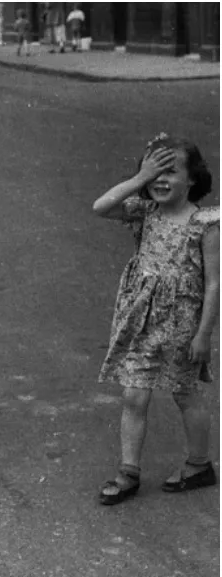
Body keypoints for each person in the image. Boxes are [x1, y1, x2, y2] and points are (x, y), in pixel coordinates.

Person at [92, 134, 218, 506]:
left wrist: (204, 335)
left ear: (192, 178)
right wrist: (139, 177)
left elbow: (214, 284)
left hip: (182, 324)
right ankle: (128, 470)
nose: (159, 180)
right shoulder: (143, 212)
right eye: (153, 172)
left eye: (169, 171)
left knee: (184, 392)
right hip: (140, 320)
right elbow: (101, 206)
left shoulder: (206, 224)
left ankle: (199, 464)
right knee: (134, 393)